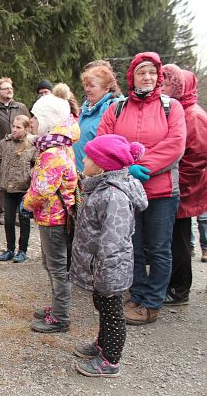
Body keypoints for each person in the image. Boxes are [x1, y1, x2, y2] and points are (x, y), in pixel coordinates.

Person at [96, 52, 186, 325]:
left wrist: (141, 165)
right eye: (140, 72)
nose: (146, 77)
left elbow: (175, 144)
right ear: (131, 76)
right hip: (124, 192)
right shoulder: (117, 108)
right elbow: (104, 142)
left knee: (159, 248)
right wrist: (126, 169)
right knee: (130, 246)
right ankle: (136, 294)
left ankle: (152, 302)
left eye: (151, 72)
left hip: (160, 192)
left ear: (158, 77)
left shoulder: (172, 107)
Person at [70, 134, 148, 378]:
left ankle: (110, 361)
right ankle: (102, 346)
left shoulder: (113, 195)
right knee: (103, 308)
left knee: (113, 313)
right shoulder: (99, 188)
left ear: (103, 165)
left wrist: (105, 271)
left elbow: (114, 240)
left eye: (89, 157)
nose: (84, 158)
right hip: (99, 267)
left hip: (108, 268)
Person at [22, 94, 79, 333]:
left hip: (54, 219)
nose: (31, 122)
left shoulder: (52, 154)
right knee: (51, 264)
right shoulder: (56, 147)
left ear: (48, 121)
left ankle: (60, 317)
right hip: (51, 217)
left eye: (35, 117)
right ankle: (57, 307)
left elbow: (42, 190)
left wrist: (25, 204)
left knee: (56, 267)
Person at [161, 65, 207, 305]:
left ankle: (180, 289)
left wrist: (178, 184)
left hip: (185, 189)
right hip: (178, 186)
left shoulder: (194, 116)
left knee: (178, 238)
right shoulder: (178, 111)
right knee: (171, 238)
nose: (163, 88)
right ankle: (172, 284)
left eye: (169, 84)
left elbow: (198, 157)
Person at [0, 77, 29, 225]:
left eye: (11, 88)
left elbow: (29, 126)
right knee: (0, 180)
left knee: (21, 179)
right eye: (6, 88)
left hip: (21, 150)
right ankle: (3, 213)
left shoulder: (21, 107)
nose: (10, 90)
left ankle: (19, 212)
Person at [0, 115, 36, 263]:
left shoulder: (32, 144)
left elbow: (36, 164)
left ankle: (22, 250)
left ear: (26, 129)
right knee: (9, 220)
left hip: (24, 189)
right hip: (8, 187)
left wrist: (31, 178)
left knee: (24, 220)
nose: (14, 129)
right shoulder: (5, 143)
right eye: (14, 126)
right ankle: (10, 249)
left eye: (18, 127)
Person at [73, 63, 123, 172]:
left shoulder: (112, 108)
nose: (87, 89)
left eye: (92, 86)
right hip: (79, 172)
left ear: (105, 89)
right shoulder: (86, 107)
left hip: (96, 174)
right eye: (85, 85)